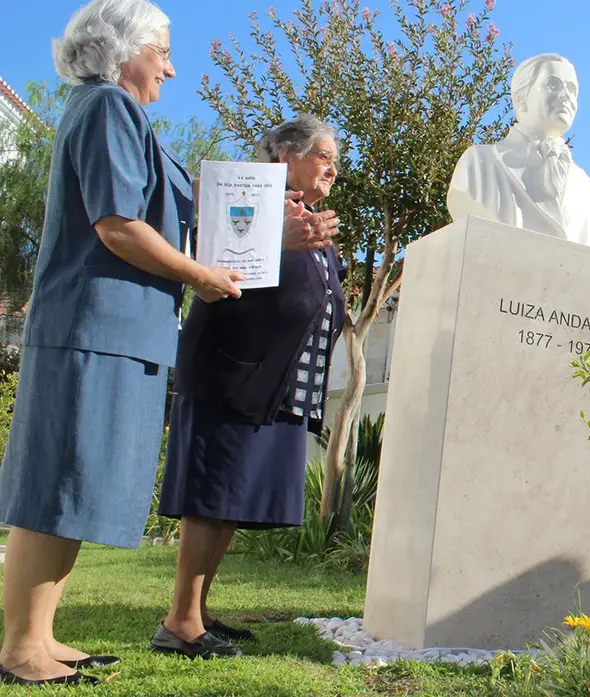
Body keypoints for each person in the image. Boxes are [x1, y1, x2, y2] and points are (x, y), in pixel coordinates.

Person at [0, 0, 242, 685]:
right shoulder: (107, 105)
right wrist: (201, 276)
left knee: (76, 486)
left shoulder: (120, 113)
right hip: (91, 326)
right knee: (56, 484)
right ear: (121, 50)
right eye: (162, 49)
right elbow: (117, 225)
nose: (171, 64)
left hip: (116, 329)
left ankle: (41, 637)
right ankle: (21, 647)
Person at [150, 115, 345, 658]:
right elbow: (216, 269)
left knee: (231, 498)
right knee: (212, 495)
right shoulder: (242, 198)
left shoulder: (307, 217)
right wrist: (278, 240)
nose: (333, 167)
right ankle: (179, 623)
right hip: (231, 370)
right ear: (286, 155)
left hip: (276, 381)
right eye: (324, 155)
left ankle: (199, 612)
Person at [447, 53, 590, 248]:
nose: (566, 95)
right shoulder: (479, 164)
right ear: (521, 97)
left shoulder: (589, 191)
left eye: (572, 89)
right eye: (553, 85)